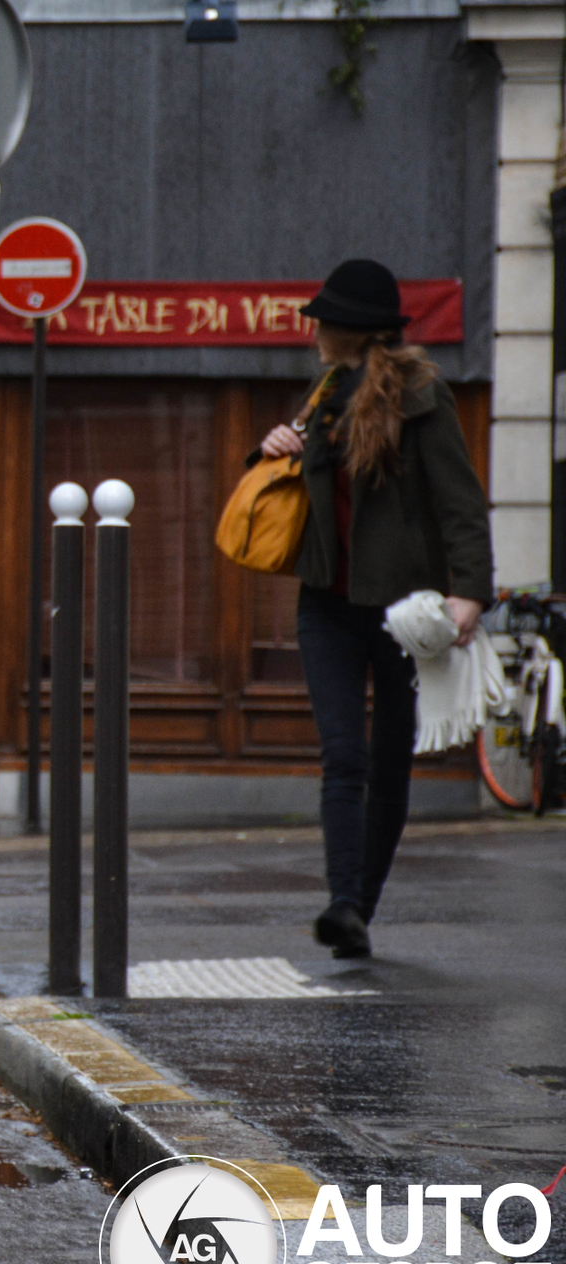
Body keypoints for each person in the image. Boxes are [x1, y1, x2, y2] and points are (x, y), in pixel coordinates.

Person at [257, 259, 492, 959]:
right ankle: (343, 902)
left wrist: (471, 589)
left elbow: (460, 500)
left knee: (390, 761)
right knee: (344, 755)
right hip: (325, 604)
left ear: (350, 329)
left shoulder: (423, 396)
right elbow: (301, 486)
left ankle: (358, 907)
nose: (315, 331)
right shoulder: (323, 392)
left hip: (402, 610)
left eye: (324, 321)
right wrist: (272, 447)